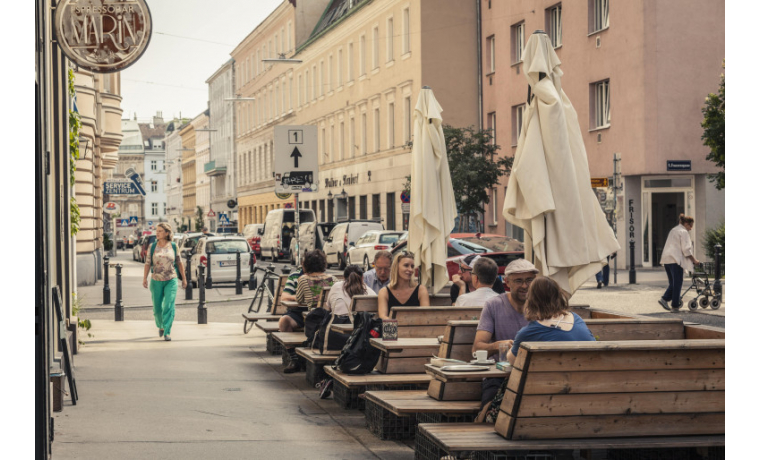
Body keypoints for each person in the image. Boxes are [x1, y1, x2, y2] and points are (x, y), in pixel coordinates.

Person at [472, 259, 537, 408]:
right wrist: (497, 346)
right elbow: (476, 349)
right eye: (518, 281)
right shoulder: (494, 305)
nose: (525, 286)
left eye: (529, 280)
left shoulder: (542, 306)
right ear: (507, 282)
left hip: (533, 375)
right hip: (498, 377)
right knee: (491, 409)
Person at [281, 250, 336, 373]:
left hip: (314, 319)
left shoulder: (303, 279)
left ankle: (295, 358)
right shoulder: (333, 279)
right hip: (330, 318)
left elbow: (300, 299)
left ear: (306, 264)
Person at [142, 223, 187, 341]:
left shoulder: (173, 246)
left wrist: (184, 278)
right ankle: (160, 326)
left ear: (167, 233)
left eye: (160, 231)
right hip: (156, 280)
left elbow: (179, 262)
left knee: (168, 305)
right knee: (157, 309)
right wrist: (145, 278)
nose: (157, 233)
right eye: (157, 231)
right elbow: (147, 263)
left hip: (171, 279)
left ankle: (167, 331)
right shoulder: (152, 246)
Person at [658, 214, 699, 311]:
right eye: (690, 225)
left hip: (667, 259)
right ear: (685, 223)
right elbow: (686, 250)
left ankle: (666, 300)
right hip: (676, 260)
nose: (691, 228)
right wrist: (695, 260)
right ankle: (674, 305)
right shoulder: (683, 232)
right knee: (677, 283)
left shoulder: (674, 230)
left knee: (673, 283)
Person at [378, 251, 430, 319]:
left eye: (412, 266)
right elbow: (382, 316)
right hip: (393, 328)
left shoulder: (421, 290)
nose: (410, 269)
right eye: (406, 265)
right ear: (396, 267)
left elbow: (426, 315)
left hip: (416, 328)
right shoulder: (384, 292)